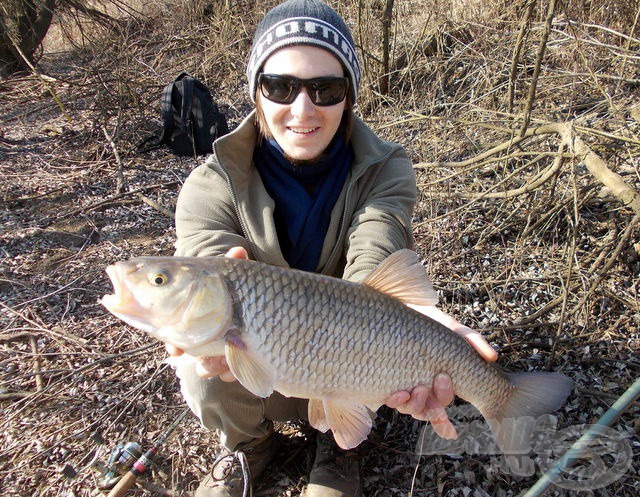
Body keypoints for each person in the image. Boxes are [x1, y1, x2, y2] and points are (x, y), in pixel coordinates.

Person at [170, 1, 497, 496]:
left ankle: (340, 448)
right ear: (256, 92)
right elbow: (199, 268)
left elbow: (377, 251)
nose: (303, 110)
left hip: (352, 358)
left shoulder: (385, 168)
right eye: (279, 86)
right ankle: (247, 446)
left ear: (349, 97)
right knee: (204, 340)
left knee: (351, 346)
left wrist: (426, 332)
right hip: (265, 363)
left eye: (326, 89)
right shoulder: (210, 184)